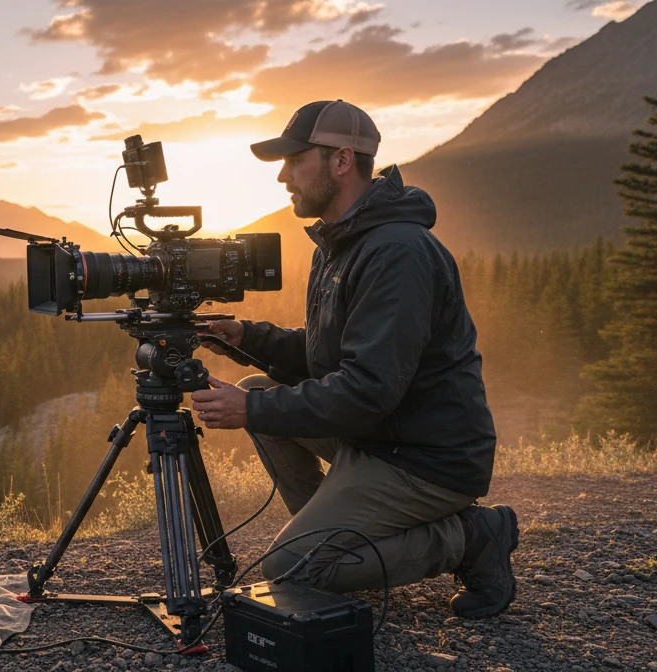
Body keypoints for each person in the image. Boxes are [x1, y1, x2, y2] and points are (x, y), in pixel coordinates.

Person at [187, 100, 517, 618]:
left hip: (426, 459)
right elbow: (328, 357)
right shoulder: (341, 244)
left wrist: (250, 414)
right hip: (380, 437)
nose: (282, 175)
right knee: (256, 389)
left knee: (293, 571)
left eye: (296, 159)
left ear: (342, 161)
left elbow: (366, 389)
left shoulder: (397, 252)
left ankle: (472, 537)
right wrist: (246, 334)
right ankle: (335, 533)